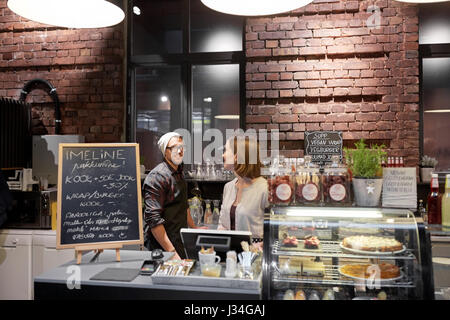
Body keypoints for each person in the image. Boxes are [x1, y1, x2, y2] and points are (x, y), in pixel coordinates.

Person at [143, 132, 198, 259]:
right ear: (165, 152)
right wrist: (171, 252)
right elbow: (153, 220)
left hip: (178, 240)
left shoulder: (179, 172)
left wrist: (195, 228)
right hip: (162, 247)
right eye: (174, 147)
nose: (180, 151)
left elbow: (183, 205)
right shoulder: (158, 177)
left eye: (182, 147)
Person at [218, 135, 269, 246]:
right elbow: (222, 224)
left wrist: (259, 247)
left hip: (256, 257)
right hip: (230, 256)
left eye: (226, 150)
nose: (223, 155)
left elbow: (277, 230)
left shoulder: (265, 189)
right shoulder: (229, 187)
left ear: (237, 156)